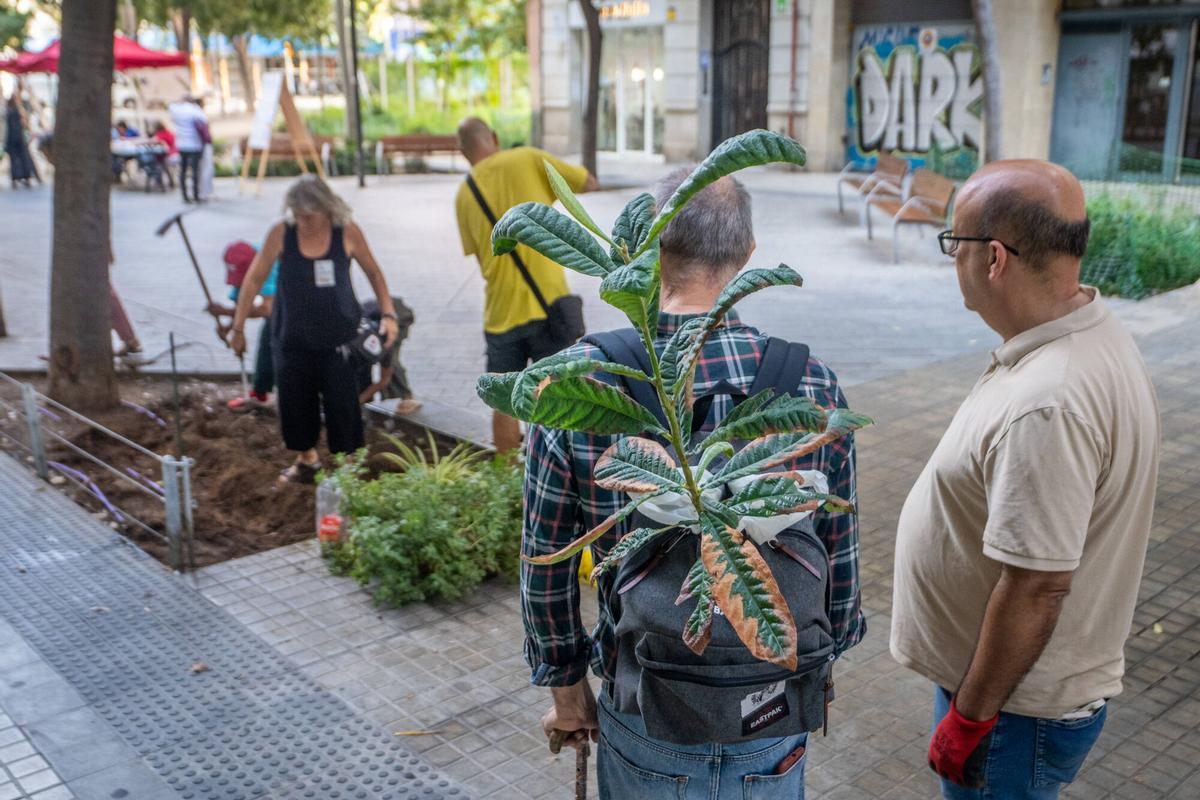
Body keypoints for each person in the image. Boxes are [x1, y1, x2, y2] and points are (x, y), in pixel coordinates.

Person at [521, 169, 863, 798]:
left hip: (644, 702)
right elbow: (838, 554)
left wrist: (568, 695)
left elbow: (545, 562)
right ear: (748, 254)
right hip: (772, 704)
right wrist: (819, 665)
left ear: (646, 249)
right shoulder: (811, 383)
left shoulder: (574, 385)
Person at [890, 160, 1161, 798]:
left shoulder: (1051, 402)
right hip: (1007, 702)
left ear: (993, 259)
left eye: (953, 243)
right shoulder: (1080, 332)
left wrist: (969, 719)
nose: (951, 258)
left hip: (1010, 715)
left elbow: (1037, 587)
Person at [229, 176, 400, 484]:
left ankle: (349, 465)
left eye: (309, 216)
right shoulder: (281, 234)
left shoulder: (347, 232)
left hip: (339, 339)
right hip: (292, 338)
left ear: (327, 209)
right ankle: (306, 460)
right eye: (297, 214)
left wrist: (388, 314)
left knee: (343, 404)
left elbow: (374, 273)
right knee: (295, 403)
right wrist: (237, 328)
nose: (302, 221)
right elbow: (253, 279)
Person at [453, 116, 597, 451]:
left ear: (463, 153)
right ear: (494, 137)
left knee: (504, 403)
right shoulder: (527, 159)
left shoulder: (463, 195)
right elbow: (587, 182)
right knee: (559, 396)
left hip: (500, 313)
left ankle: (506, 475)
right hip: (550, 305)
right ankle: (559, 468)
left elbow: (482, 260)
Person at [209, 240, 277, 411]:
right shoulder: (241, 262)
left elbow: (268, 309)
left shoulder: (269, 262)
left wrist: (225, 312)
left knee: (276, 339)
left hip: (297, 299)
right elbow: (241, 301)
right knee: (267, 343)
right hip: (276, 308)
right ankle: (259, 394)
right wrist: (230, 328)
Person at [356, 297, 419, 413]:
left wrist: (357, 402)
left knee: (393, 366)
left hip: (398, 317)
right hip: (371, 313)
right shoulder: (351, 348)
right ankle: (365, 404)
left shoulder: (385, 343)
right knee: (362, 374)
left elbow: (384, 379)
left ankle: (407, 397)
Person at [169, 94, 208, 204]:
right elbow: (204, 120)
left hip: (181, 144)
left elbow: (171, 107)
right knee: (195, 170)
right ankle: (196, 195)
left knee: (183, 170)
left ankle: (185, 195)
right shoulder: (194, 109)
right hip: (194, 144)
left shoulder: (176, 109)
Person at [4, 93, 40, 189]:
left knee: (15, 159)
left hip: (12, 138)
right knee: (23, 158)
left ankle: (16, 178)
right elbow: (24, 122)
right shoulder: (18, 110)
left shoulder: (9, 111)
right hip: (19, 137)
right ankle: (25, 177)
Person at [151, 121, 178, 188]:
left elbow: (153, 141)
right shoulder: (169, 132)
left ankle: (159, 181)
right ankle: (169, 181)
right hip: (175, 154)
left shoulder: (161, 134)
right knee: (161, 163)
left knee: (159, 163)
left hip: (170, 155)